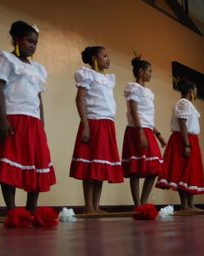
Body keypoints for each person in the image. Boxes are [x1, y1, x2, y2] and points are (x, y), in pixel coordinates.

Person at [0, 21, 56, 213]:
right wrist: (2, 119)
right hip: (12, 117)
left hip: (33, 121)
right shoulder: (4, 59)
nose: (33, 45)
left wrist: (41, 124)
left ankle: (31, 209)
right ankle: (12, 209)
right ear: (17, 39)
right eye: (29, 41)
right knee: (9, 164)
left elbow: (38, 97)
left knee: (35, 164)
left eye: (36, 42)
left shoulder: (38, 69)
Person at [70, 46, 123, 214]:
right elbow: (79, 100)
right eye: (105, 56)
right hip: (93, 123)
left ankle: (96, 205)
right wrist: (85, 125)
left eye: (109, 56)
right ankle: (88, 206)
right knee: (90, 164)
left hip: (107, 125)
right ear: (94, 58)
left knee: (100, 165)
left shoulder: (108, 79)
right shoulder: (87, 75)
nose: (108, 59)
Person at [122, 56, 166, 206]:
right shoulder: (133, 88)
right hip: (136, 130)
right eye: (149, 71)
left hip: (147, 130)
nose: (151, 74)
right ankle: (137, 204)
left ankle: (144, 201)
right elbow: (134, 112)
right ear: (141, 71)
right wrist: (140, 132)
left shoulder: (147, 92)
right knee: (135, 169)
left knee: (154, 169)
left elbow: (148, 118)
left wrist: (158, 134)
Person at [156, 80, 204, 211]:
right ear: (190, 91)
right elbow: (183, 124)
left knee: (191, 171)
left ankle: (190, 204)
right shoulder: (183, 103)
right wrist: (187, 145)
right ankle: (184, 204)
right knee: (183, 171)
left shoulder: (189, 104)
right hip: (184, 139)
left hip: (191, 139)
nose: (196, 92)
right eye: (195, 90)